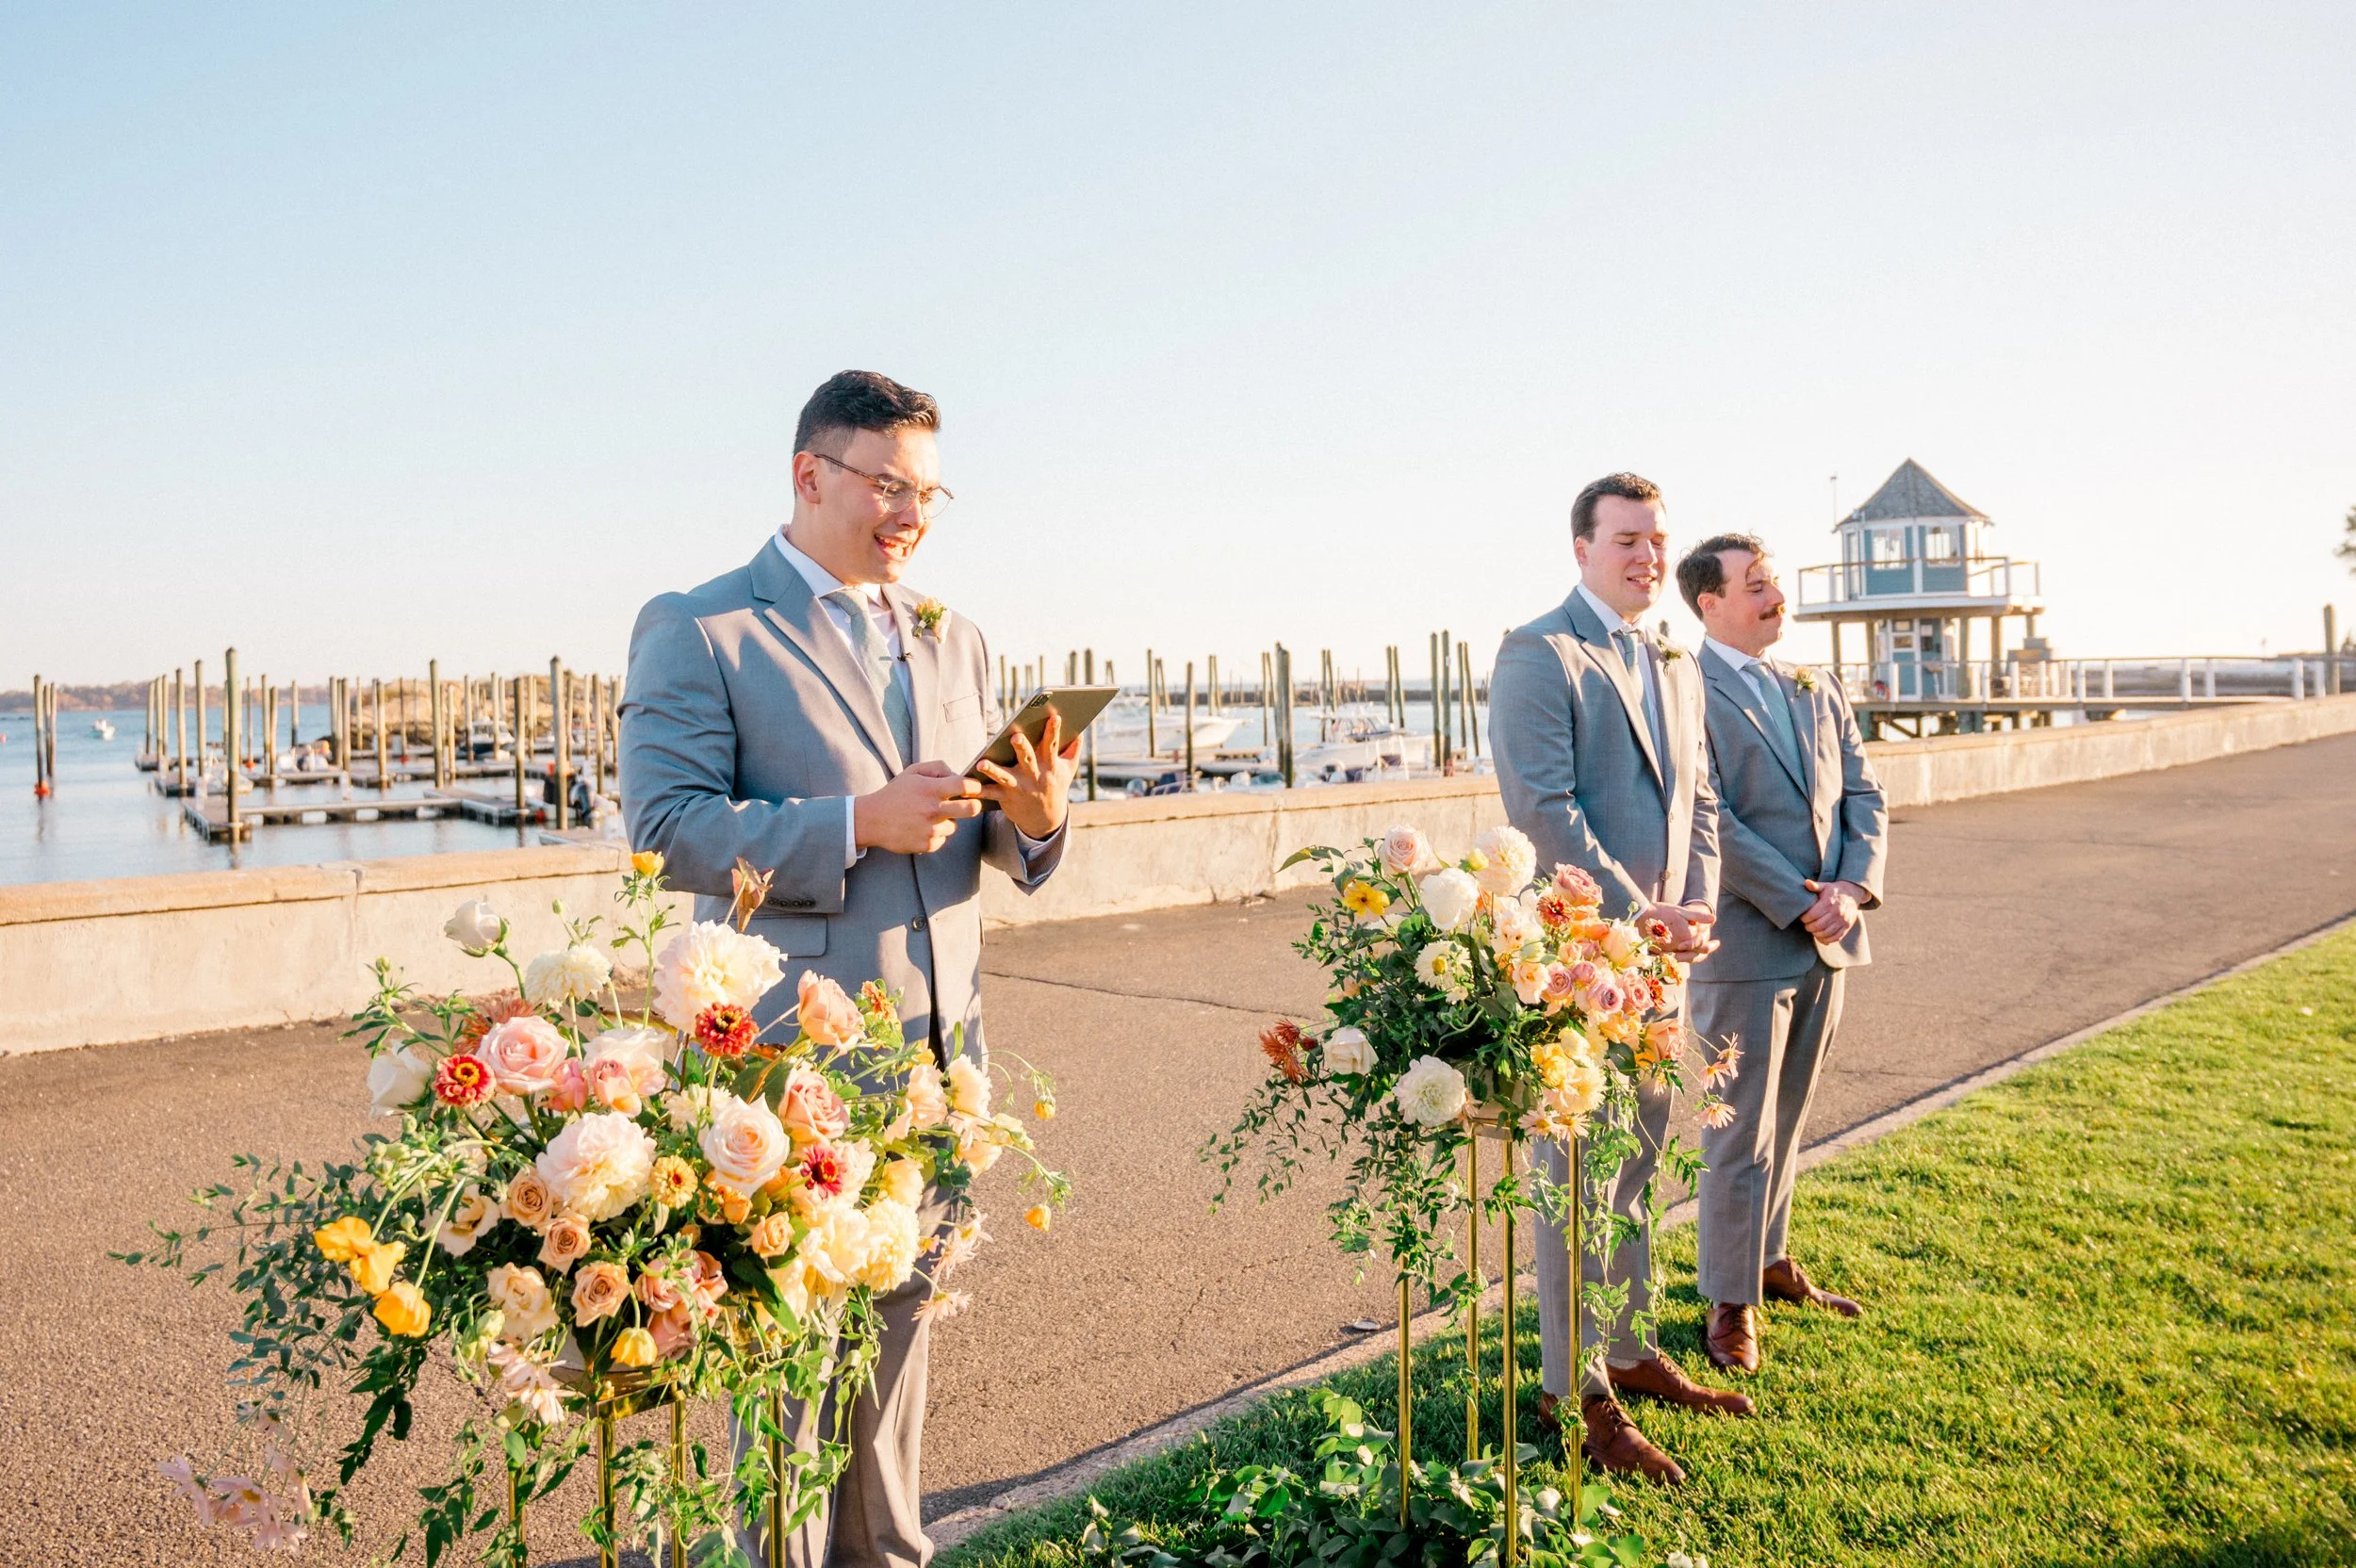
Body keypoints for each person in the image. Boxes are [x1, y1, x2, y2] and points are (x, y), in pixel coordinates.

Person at [619, 369, 1079, 1567]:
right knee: (786, 1370)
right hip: (788, 1066)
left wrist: (1035, 819)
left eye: (929, 492)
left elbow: (984, 834)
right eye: (888, 485)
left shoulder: (954, 633)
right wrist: (853, 821)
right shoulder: (703, 626)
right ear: (809, 474)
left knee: (898, 1350)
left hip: (940, 1058)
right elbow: (663, 826)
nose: (911, 514)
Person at [1488, 472, 1751, 1489]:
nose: (1647, 556)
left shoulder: (1673, 661)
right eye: (1627, 539)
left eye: (1657, 540)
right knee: (1574, 1184)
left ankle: (1633, 1349)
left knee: (1637, 1167)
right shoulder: (1538, 651)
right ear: (1582, 549)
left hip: (1664, 963)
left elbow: (1702, 802)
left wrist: (1696, 909)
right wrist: (1641, 917)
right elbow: (1542, 807)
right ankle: (1575, 1391)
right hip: (1580, 965)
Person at [1677, 534, 1888, 1374]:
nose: (1776, 597)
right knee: (1737, 1133)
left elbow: (1864, 792)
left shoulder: (1817, 682)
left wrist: (1851, 890)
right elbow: (1708, 816)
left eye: (1773, 582)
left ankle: (1768, 1259)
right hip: (1745, 943)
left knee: (1789, 1118)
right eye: (1756, 586)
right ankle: (1729, 1302)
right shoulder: (1684, 689)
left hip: (1829, 940)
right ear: (1710, 603)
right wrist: (1805, 902)